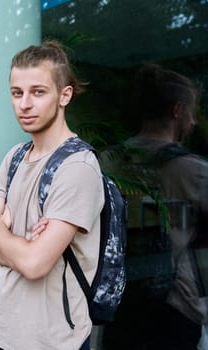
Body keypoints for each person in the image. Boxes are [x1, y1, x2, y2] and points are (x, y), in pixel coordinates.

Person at [0, 41, 104, 350]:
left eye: (38, 92)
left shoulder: (78, 167)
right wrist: (22, 246)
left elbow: (34, 264)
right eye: (17, 93)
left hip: (52, 341)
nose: (24, 104)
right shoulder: (15, 157)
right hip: (1, 332)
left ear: (65, 95)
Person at [101, 64, 208, 349]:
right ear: (177, 110)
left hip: (117, 304)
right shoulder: (194, 171)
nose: (194, 122)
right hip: (176, 309)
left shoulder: (107, 162)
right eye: (192, 111)